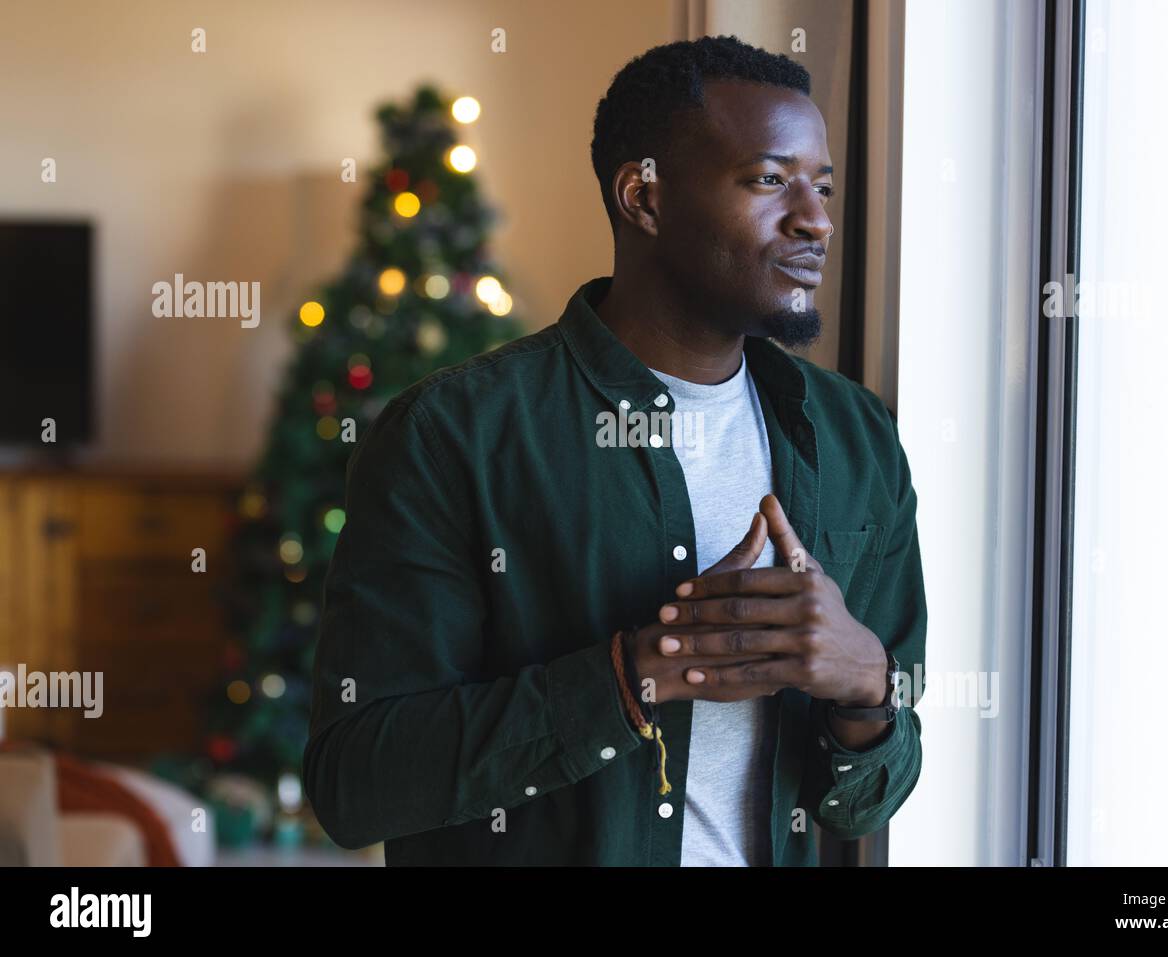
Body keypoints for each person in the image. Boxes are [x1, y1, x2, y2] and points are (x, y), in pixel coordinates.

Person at [304, 34, 926, 866]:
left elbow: (864, 799)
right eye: (769, 180)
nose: (814, 218)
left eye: (822, 186)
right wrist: (638, 675)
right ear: (644, 196)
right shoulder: (452, 435)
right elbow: (356, 781)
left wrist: (867, 685)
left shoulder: (858, 439)